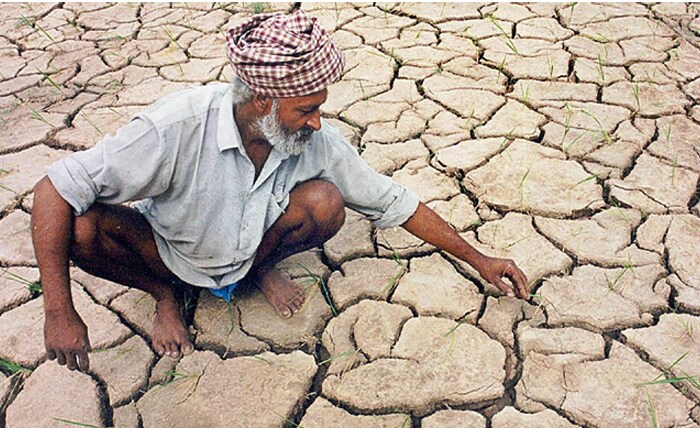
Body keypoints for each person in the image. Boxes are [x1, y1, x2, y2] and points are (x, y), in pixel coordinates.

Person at [31, 9, 529, 373]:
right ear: (263, 98)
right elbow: (54, 188)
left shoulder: (308, 137)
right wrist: (59, 309)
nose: (317, 121)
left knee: (327, 202)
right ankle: (164, 295)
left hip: (251, 249)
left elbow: (391, 200)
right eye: (306, 109)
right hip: (167, 250)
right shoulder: (176, 126)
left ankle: (255, 271)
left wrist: (479, 258)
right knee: (81, 225)